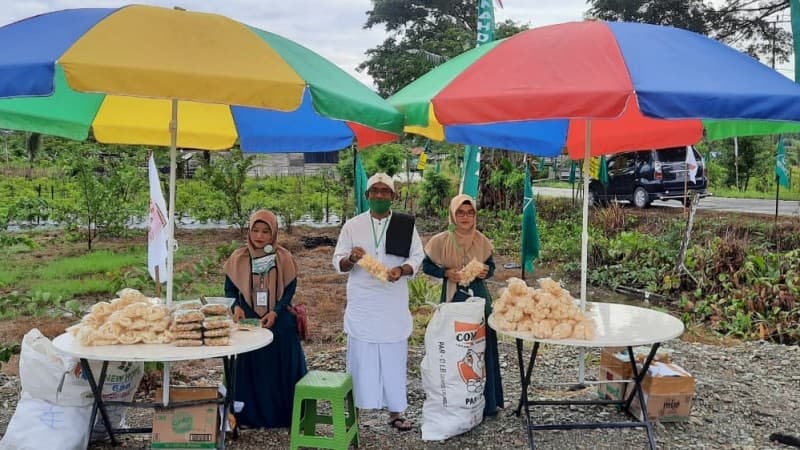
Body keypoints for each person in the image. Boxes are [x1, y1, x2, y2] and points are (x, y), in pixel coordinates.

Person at [332, 172, 425, 432]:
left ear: (393, 196)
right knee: (360, 358)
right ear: (367, 195)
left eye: (385, 191)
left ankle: (396, 412)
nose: (380, 195)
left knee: (394, 357)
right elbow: (338, 261)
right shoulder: (353, 225)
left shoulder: (404, 224)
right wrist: (351, 258)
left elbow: (418, 255)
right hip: (363, 302)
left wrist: (402, 270)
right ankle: (355, 411)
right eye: (375, 191)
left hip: (392, 302)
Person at [223, 210, 307, 429]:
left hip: (278, 320)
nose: (259, 236)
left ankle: (284, 416)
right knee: (250, 363)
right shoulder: (238, 257)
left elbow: (289, 290)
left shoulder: (283, 257)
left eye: (265, 231)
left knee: (281, 360)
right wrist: (236, 306)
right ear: (249, 231)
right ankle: (247, 416)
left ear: (274, 233)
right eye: (255, 230)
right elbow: (230, 289)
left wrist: (276, 312)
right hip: (249, 320)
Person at [421, 194, 503, 417]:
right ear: (452, 215)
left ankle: (488, 402)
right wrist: (446, 273)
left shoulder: (481, 240)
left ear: (475, 216)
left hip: (478, 299)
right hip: (453, 298)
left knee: (483, 345)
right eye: (460, 213)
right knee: (455, 348)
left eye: (470, 213)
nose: (465, 217)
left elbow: (491, 266)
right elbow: (426, 266)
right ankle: (458, 402)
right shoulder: (441, 240)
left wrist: (486, 271)